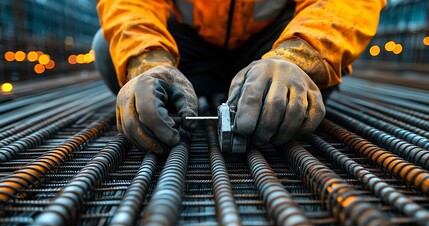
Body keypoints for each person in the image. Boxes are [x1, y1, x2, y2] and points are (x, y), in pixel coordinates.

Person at [93, 0, 386, 154]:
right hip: (194, 49)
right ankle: (174, 91)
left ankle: (275, 90)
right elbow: (129, 4)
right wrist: (148, 63)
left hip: (269, 45)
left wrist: (297, 57)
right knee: (106, 49)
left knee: (301, 83)